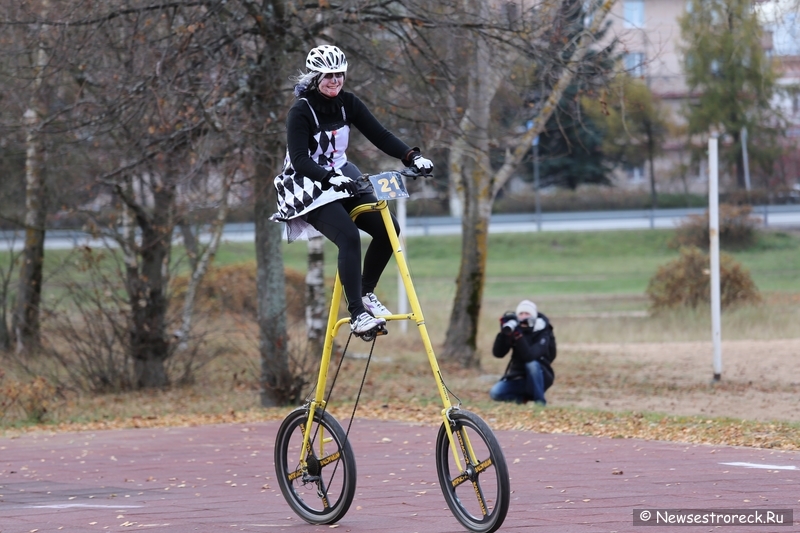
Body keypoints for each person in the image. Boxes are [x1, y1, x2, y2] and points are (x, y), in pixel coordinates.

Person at [272, 45, 433, 335]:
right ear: (315, 77)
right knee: (348, 237)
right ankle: (358, 314)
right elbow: (299, 159)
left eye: (340, 75)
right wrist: (327, 178)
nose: (335, 81)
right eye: (329, 76)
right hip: (307, 182)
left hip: (343, 176)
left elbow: (380, 135)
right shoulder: (301, 110)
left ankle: (366, 293)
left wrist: (412, 157)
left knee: (389, 229)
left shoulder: (348, 103)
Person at [489, 299, 556, 405]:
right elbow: (498, 354)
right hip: (518, 376)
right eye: (521, 314)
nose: (524, 317)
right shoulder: (515, 329)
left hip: (541, 376)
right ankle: (521, 400)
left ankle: (540, 402)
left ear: (533, 316)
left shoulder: (543, 332)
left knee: (531, 364)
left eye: (527, 313)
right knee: (495, 393)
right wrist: (504, 334)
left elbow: (530, 356)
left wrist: (518, 336)